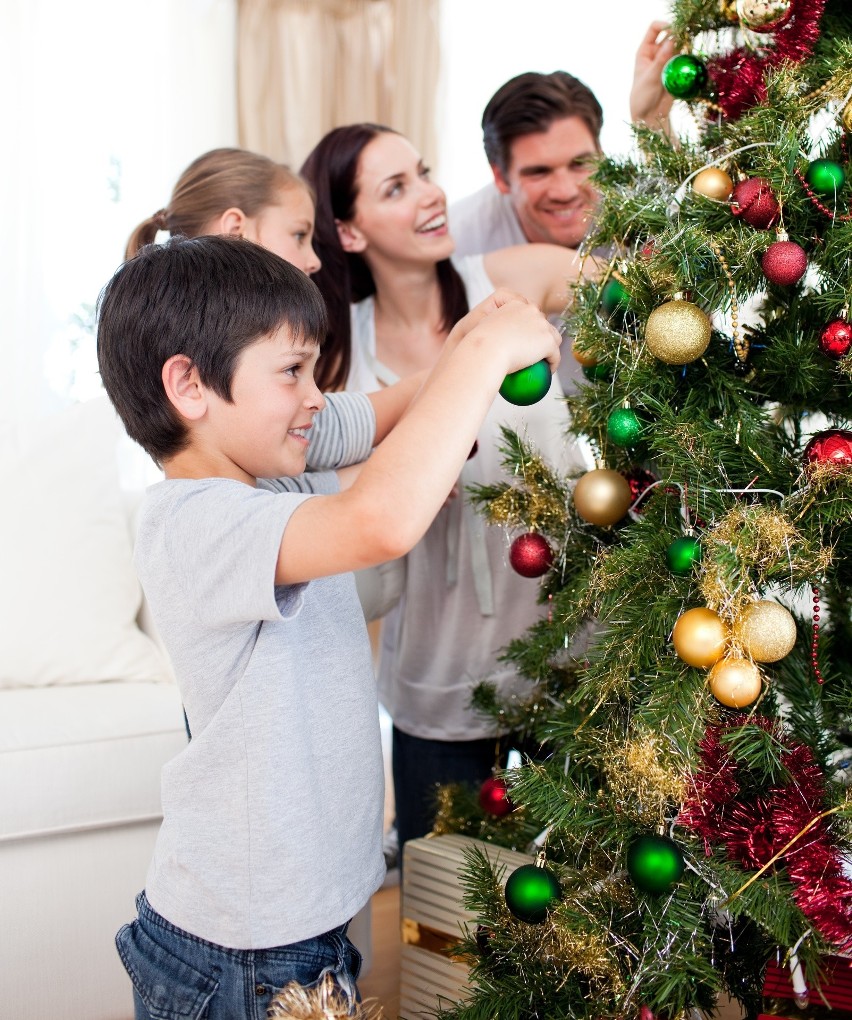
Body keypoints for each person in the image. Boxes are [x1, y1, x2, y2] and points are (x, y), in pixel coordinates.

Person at [98, 233, 561, 1018]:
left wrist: (467, 344)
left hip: (296, 925)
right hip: (241, 950)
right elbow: (379, 521)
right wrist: (482, 361)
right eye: (291, 371)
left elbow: (384, 410)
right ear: (189, 386)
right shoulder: (195, 519)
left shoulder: (278, 462)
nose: (315, 395)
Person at [300, 123, 597, 860]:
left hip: (571, 658)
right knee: (447, 926)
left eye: (425, 173)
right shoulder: (339, 354)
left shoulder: (510, 282)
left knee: (590, 911)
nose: (431, 195)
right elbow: (345, 522)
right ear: (348, 229)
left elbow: (644, 282)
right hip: (438, 681)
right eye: (396, 189)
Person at [449, 22, 676, 259]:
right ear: (500, 177)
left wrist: (652, 120)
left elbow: (693, 220)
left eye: (579, 164)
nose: (565, 191)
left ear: (601, 154)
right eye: (539, 172)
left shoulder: (638, 212)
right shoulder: (459, 242)